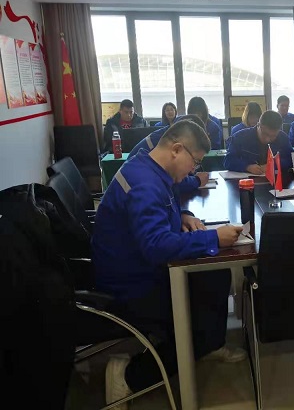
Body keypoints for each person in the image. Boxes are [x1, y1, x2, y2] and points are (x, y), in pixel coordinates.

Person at [92, 120, 246, 409]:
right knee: (197, 323)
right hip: (130, 285)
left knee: (215, 274)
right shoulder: (144, 184)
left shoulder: (150, 166)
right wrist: (213, 237)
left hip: (138, 268)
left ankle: (211, 344)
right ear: (176, 149)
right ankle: (129, 375)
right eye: (195, 162)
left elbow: (166, 206)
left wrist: (183, 214)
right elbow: (156, 246)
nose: (193, 171)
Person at [128, 115, 209, 192]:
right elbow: (174, 183)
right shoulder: (164, 145)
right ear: (177, 149)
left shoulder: (166, 136)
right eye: (195, 162)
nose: (193, 169)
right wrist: (196, 180)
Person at [224, 110, 293, 174]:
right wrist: (247, 167)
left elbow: (292, 159)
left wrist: (273, 165)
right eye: (265, 134)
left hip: (275, 180)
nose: (268, 139)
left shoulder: (282, 137)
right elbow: (228, 161)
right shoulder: (240, 137)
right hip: (247, 180)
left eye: (273, 136)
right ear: (258, 125)